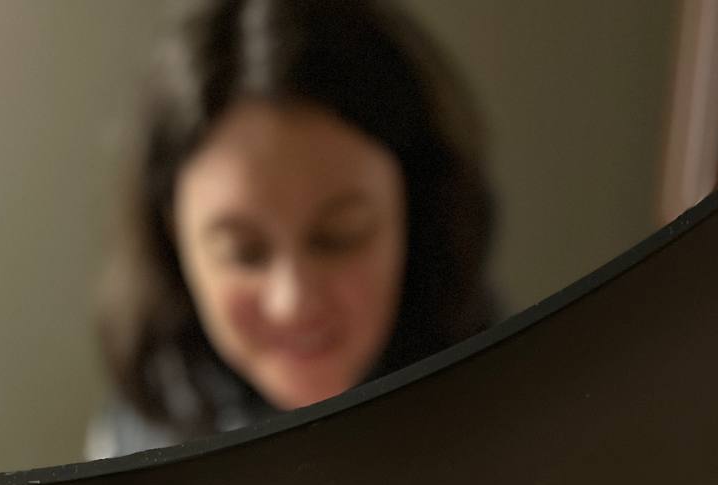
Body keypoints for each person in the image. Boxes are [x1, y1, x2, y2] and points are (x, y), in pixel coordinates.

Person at [87, 0, 496, 459]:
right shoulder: (133, 447)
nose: (292, 302)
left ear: (417, 210)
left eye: (340, 237)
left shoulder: (507, 401)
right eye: (244, 252)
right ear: (174, 237)